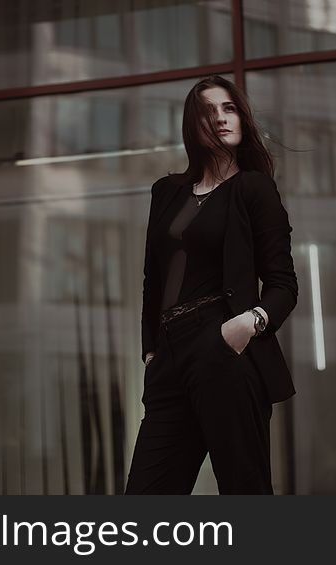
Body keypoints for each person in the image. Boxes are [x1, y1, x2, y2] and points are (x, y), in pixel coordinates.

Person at [124, 75, 298, 495]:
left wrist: (245, 325)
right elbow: (154, 276)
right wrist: (151, 349)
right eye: (208, 112)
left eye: (229, 108)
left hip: (222, 344)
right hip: (169, 355)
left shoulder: (254, 189)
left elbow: (283, 284)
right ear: (192, 126)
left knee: (243, 489)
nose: (220, 119)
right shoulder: (167, 192)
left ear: (242, 118)